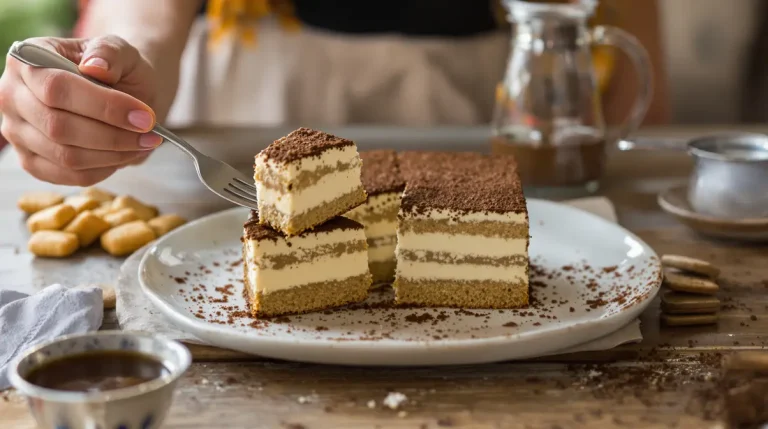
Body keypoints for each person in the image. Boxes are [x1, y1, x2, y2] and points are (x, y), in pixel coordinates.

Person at [0, 0, 668, 186]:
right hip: (247, 104)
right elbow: (143, 14)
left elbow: (623, 35)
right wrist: (121, 62)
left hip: (471, 116)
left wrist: (587, 180)